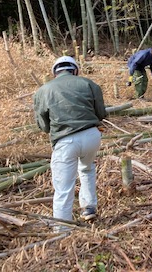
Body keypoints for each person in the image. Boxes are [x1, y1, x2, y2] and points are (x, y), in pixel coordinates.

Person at [33, 56, 107, 228]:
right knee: (87, 168)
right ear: (75, 70)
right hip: (91, 136)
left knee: (63, 188)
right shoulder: (89, 84)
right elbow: (101, 113)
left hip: (65, 141)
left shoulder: (43, 91)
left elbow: (43, 126)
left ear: (55, 73)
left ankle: (61, 230)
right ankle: (89, 208)